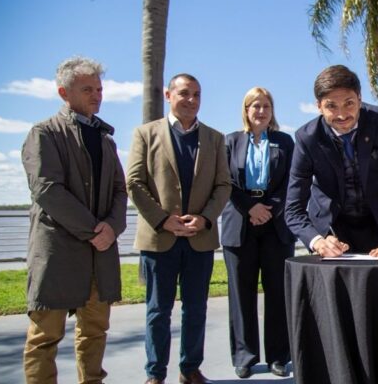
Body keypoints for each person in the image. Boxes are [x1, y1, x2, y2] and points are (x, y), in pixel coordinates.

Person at [21, 56, 127, 384]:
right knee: (44, 338)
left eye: (99, 88)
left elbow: (119, 191)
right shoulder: (44, 133)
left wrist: (112, 227)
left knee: (95, 333)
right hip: (57, 253)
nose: (96, 95)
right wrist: (93, 230)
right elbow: (47, 189)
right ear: (64, 93)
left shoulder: (106, 140)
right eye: (87, 89)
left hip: (101, 253)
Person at [126, 73, 231, 384]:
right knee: (158, 312)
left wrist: (205, 219)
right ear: (168, 95)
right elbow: (134, 182)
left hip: (200, 239)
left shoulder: (214, 138)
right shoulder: (145, 134)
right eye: (185, 93)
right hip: (160, 238)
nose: (192, 100)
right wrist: (163, 219)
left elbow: (223, 185)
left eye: (197, 94)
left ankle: (190, 370)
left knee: (196, 309)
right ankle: (155, 374)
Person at [285, 64, 378, 257]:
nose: (342, 115)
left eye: (349, 103)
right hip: (331, 232)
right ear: (319, 106)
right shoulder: (307, 138)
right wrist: (318, 241)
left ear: (360, 99)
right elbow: (293, 207)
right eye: (331, 106)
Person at [220, 87, 294, 379]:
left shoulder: (285, 142)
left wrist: (268, 209)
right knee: (241, 294)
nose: (261, 111)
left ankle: (278, 357)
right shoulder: (230, 141)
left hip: (276, 227)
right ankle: (244, 356)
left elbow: (291, 181)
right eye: (255, 106)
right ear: (246, 110)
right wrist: (251, 208)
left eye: (266, 106)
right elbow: (225, 181)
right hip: (240, 224)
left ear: (272, 110)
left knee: (277, 293)